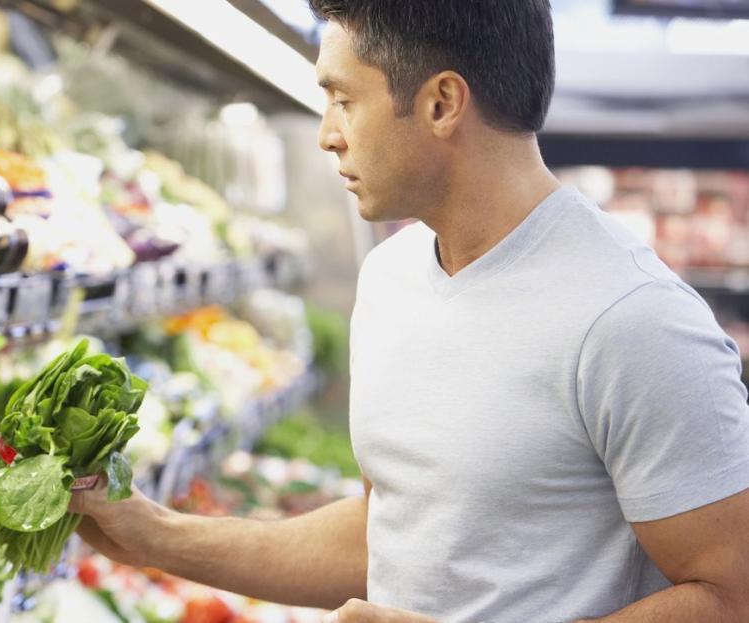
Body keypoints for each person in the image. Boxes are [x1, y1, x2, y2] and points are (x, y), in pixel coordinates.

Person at [69, 1, 749, 621]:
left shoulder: (633, 319)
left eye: (342, 99)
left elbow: (729, 595)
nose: (325, 135)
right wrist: (159, 536)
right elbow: (392, 533)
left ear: (442, 103)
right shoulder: (390, 278)